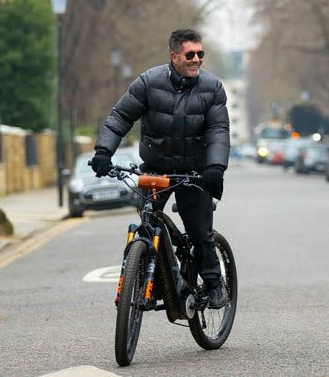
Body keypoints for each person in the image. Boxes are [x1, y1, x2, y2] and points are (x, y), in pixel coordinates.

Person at [91, 28, 230, 309]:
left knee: (200, 233)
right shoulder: (148, 82)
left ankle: (214, 283)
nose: (197, 59)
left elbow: (218, 129)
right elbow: (121, 117)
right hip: (155, 169)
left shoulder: (212, 88)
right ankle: (156, 279)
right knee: (147, 224)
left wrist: (215, 167)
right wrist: (104, 151)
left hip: (195, 173)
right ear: (174, 56)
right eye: (190, 55)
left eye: (200, 54)